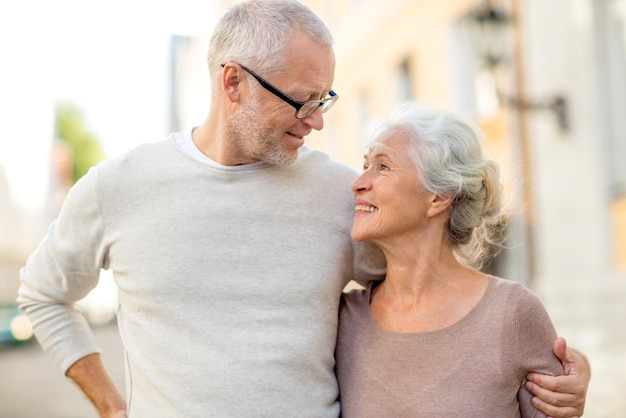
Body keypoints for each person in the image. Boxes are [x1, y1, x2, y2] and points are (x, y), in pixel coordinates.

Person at [17, 1, 588, 417]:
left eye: (325, 100)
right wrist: (113, 409)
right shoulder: (119, 186)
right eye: (303, 100)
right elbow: (43, 296)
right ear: (233, 83)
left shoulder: (347, 197)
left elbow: (434, 295)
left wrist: (554, 379)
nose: (317, 120)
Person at [335, 100, 589, 417]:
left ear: (438, 197)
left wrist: (579, 368)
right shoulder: (345, 320)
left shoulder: (512, 314)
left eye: (383, 166)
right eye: (365, 165)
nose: (357, 183)